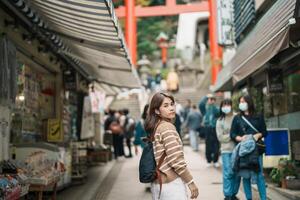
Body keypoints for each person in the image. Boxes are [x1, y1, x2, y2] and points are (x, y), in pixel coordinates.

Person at [145, 92, 199, 200]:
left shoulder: (157, 126)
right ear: (156, 110)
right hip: (171, 185)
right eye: (165, 106)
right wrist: (190, 182)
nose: (171, 108)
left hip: (159, 183)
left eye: (172, 104)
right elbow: (176, 160)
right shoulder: (167, 127)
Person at [230, 95, 267, 200]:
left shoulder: (258, 116)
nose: (241, 104)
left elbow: (265, 132)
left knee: (259, 175)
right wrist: (240, 138)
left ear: (249, 103)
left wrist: (257, 136)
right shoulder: (237, 118)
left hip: (256, 150)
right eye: (240, 102)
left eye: (243, 102)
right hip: (244, 151)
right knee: (245, 175)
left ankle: (263, 198)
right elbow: (232, 134)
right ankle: (248, 198)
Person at [216, 99, 240, 200]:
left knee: (237, 173)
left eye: (228, 104)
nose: (226, 106)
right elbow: (220, 137)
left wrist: (229, 135)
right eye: (224, 105)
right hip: (226, 150)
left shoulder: (237, 117)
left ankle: (234, 194)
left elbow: (240, 132)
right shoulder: (220, 120)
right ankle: (227, 195)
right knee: (228, 173)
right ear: (221, 107)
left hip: (238, 149)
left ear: (231, 105)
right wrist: (233, 135)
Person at [199, 94, 220, 167]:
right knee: (208, 144)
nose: (211, 100)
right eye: (210, 99)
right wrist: (206, 97)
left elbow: (219, 113)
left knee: (216, 144)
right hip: (207, 128)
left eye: (213, 99)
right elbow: (201, 104)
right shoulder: (205, 108)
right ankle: (208, 160)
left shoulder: (216, 108)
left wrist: (212, 105)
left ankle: (215, 160)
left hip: (215, 128)